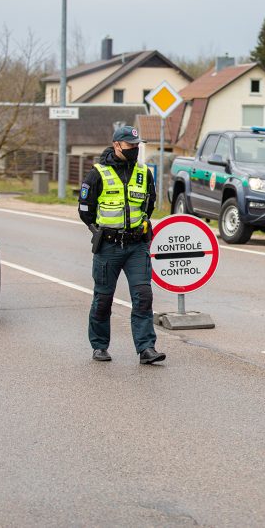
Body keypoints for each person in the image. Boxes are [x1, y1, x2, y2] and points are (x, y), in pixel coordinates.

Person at [78, 126, 166, 365]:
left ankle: (146, 348)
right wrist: (97, 231)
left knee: (143, 295)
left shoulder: (143, 172)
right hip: (108, 247)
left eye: (137, 146)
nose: (134, 150)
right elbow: (85, 209)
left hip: (137, 246)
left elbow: (149, 204)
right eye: (130, 146)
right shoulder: (98, 173)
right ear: (116, 145)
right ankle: (99, 346)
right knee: (103, 299)